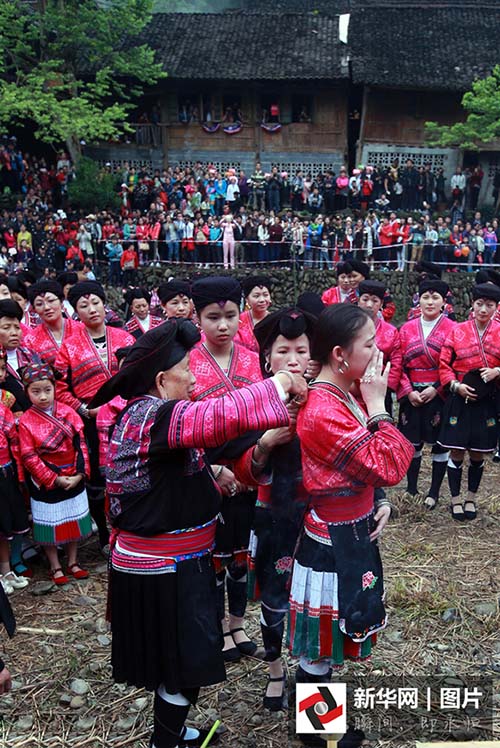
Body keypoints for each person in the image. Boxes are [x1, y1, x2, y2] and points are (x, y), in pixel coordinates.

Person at [87, 319, 306, 748]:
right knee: (182, 662)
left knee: (180, 660)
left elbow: (200, 463)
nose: (193, 376)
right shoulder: (153, 415)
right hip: (164, 567)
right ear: (161, 379)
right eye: (186, 368)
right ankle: (166, 741)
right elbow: (216, 417)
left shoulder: (154, 418)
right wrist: (280, 382)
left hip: (175, 563)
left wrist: (226, 468)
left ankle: (170, 733)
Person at [289, 305, 413, 705]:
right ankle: (320, 731)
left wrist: (378, 498)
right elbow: (391, 463)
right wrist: (379, 407)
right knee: (321, 643)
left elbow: (372, 471)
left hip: (350, 529)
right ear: (340, 354)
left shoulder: (342, 392)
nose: (379, 354)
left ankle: (321, 724)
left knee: (329, 636)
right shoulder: (324, 410)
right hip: (333, 541)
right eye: (371, 345)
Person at [235, 306, 316, 712]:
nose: (294, 360)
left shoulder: (329, 398)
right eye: (283, 351)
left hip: (319, 517)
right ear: (268, 357)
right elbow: (244, 473)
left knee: (316, 597)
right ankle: (274, 670)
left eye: (302, 350)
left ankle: (312, 688)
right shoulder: (253, 400)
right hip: (271, 514)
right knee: (274, 593)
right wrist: (265, 443)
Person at [189, 277, 262, 663]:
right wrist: (211, 468)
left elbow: (262, 415)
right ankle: (216, 625)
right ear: (197, 317)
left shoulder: (251, 358)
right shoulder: (186, 361)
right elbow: (180, 424)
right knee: (213, 556)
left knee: (240, 554)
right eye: (213, 317)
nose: (223, 325)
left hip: (248, 473)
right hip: (206, 472)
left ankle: (238, 622)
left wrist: (254, 466)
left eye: (231, 316)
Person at [54, 281, 135, 552]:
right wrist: (84, 410)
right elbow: (60, 388)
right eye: (83, 306)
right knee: (99, 479)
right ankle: (104, 533)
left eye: (95, 302)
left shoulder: (124, 338)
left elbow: (140, 372)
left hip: (128, 416)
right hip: (92, 421)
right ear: (76, 312)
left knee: (132, 470)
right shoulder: (69, 347)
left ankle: (133, 527)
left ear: (104, 303)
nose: (91, 309)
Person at [18, 363, 92, 584]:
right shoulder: (25, 421)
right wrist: (53, 479)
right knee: (50, 523)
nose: (43, 396)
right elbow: (29, 455)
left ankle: (72, 560)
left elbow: (81, 445)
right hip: (47, 480)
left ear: (54, 388)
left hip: (73, 474)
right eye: (36, 391)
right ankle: (54, 564)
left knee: (72, 518)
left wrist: (80, 474)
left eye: (47, 390)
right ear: (27, 392)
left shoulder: (68, 412)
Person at [438, 283, 500, 521]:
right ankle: (454, 499)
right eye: (479, 304)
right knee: (456, 451)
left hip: (487, 400)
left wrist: (497, 371)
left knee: (477, 453)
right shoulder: (457, 331)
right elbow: (444, 364)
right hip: (460, 398)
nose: (483, 309)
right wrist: (456, 386)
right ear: (472, 304)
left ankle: (471, 498)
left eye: (489, 305)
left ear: (496, 307)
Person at [397, 279, 456, 508]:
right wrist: (408, 391)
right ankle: (411, 489)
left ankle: (433, 492)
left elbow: (454, 364)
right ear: (418, 300)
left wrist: (437, 388)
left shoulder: (453, 329)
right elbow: (398, 364)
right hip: (412, 392)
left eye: (435, 297)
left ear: (444, 302)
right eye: (425, 297)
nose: (430, 302)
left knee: (439, 444)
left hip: (439, 393)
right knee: (413, 444)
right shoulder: (406, 328)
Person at [0, 346, 30, 595]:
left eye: (2, 368)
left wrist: (20, 472)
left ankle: (7, 568)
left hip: (6, 469)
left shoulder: (5, 402)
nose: (1, 374)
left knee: (8, 520)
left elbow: (13, 439)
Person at [357, 280, 401, 415]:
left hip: (380, 387)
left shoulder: (391, 331)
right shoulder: (347, 327)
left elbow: (397, 361)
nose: (369, 304)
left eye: (375, 301)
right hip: (352, 386)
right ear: (358, 300)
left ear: (381, 304)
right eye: (365, 299)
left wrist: (386, 386)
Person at [25, 281, 81, 366]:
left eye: (51, 301)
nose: (46, 307)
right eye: (39, 304)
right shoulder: (30, 340)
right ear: (34, 309)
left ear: (61, 302)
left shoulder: (81, 330)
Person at [235, 276, 273, 353]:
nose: (262, 300)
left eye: (265, 295)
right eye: (256, 296)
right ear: (247, 300)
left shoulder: (276, 320)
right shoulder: (238, 321)